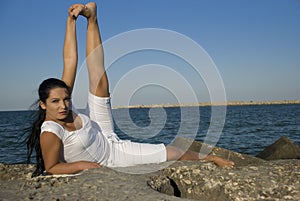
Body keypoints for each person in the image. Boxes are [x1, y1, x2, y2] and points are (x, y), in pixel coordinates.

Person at [26, 2, 234, 176]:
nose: (63, 105)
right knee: (170, 152)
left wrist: (70, 22)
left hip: (99, 129)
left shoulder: (61, 99)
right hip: (113, 154)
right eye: (55, 102)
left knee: (99, 80)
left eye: (65, 99)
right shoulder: (51, 131)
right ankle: (211, 157)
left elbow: (70, 61)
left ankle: (92, 19)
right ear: (43, 105)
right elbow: (52, 167)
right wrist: (82, 165)